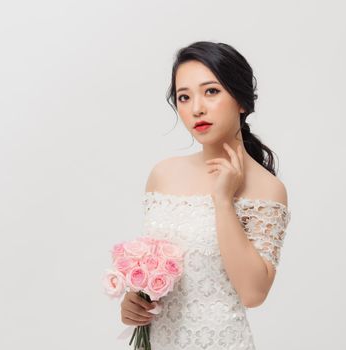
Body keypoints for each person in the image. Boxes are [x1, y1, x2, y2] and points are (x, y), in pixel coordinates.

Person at [120, 41, 292, 349]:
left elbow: (253, 294)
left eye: (211, 91)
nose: (196, 107)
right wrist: (135, 301)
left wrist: (223, 201)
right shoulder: (163, 174)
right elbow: (156, 272)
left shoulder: (266, 189)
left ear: (241, 101)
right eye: (184, 97)